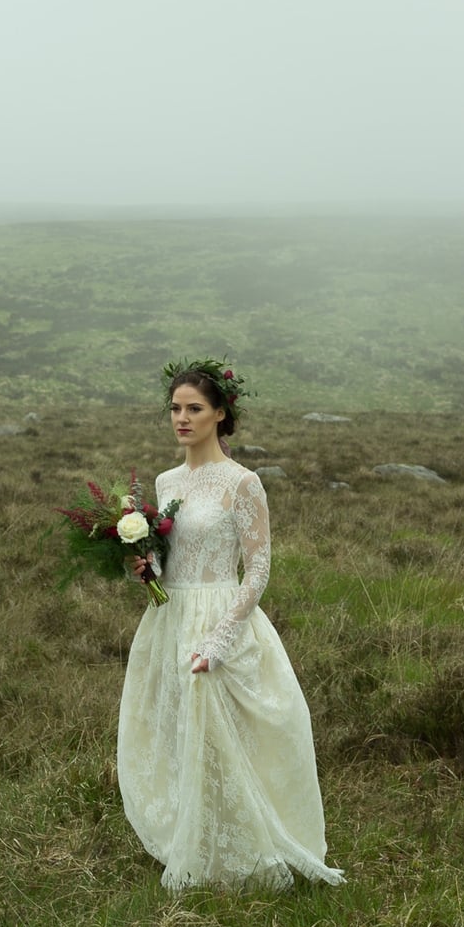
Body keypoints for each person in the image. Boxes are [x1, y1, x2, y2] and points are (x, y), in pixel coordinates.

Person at [117, 358, 345, 890]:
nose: (182, 418)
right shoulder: (166, 479)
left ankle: (248, 850)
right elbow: (171, 562)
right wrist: (146, 569)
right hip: (169, 615)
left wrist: (220, 638)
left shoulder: (243, 483)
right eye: (175, 408)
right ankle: (194, 841)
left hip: (222, 617)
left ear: (220, 413)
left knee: (225, 733)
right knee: (178, 731)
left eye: (194, 408)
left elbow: (259, 567)